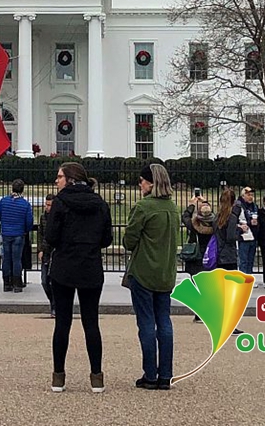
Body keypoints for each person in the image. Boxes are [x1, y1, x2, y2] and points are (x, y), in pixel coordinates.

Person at [46, 163, 113, 393]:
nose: (57, 181)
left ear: (70, 179)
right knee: (91, 323)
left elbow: (51, 236)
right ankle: (96, 377)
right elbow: (107, 239)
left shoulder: (60, 202)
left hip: (64, 267)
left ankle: (58, 377)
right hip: (90, 266)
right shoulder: (100, 204)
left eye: (60, 177)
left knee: (62, 324)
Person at [125, 164, 179, 391]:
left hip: (144, 271)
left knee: (146, 323)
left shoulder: (143, 207)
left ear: (150, 183)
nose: (140, 185)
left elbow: (129, 241)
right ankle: (165, 374)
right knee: (164, 321)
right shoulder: (173, 208)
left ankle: (150, 374)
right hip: (165, 272)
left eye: (141, 181)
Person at [0, 179, 34, 293]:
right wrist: (25, 229)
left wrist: (6, 220)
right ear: (22, 190)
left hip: (6, 233)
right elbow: (29, 222)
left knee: (6, 258)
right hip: (19, 234)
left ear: (12, 188)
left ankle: (7, 283)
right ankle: (17, 284)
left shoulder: (4, 201)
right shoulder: (25, 204)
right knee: (17, 259)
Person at [181, 196, 214, 323]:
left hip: (196, 258)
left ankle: (199, 313)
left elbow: (185, 217)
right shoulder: (214, 224)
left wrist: (192, 205)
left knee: (197, 286)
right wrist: (206, 204)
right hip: (210, 257)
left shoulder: (194, 224)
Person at [37, 194, 56, 317]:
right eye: (46, 204)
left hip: (55, 252)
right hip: (46, 252)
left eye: (49, 205)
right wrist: (40, 249)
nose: (47, 207)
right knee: (44, 281)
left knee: (53, 282)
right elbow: (40, 234)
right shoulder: (43, 217)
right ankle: (53, 302)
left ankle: (54, 306)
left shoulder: (58, 218)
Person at [214, 188, 241, 271]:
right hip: (229, 256)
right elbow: (230, 237)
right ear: (233, 202)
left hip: (218, 253)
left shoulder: (216, 217)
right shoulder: (232, 217)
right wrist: (240, 230)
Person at [234, 187, 259, 277]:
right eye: (248, 195)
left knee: (250, 260)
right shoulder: (238, 206)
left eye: (252, 195)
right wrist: (247, 223)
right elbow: (234, 220)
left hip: (253, 236)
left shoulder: (255, 206)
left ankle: (249, 278)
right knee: (243, 261)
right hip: (244, 237)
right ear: (243, 196)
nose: (251, 197)